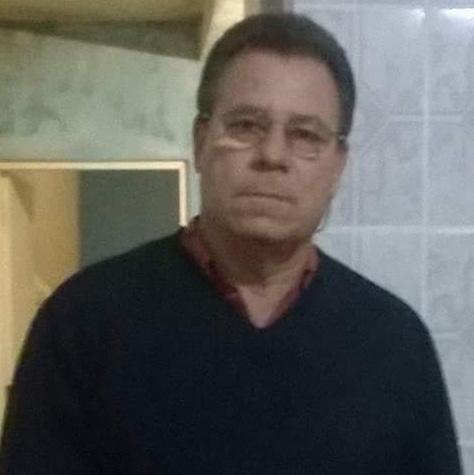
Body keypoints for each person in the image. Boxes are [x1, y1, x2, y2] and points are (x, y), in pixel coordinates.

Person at [0, 13, 461, 475]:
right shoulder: (84, 323)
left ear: (337, 167)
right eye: (245, 126)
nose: (273, 156)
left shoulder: (395, 346)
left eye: (305, 135)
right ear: (200, 142)